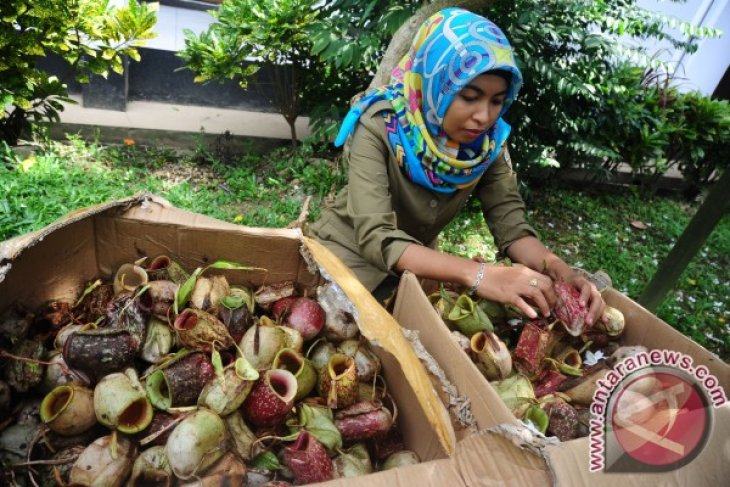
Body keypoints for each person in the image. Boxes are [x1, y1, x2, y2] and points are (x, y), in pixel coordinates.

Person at [308, 8, 606, 324]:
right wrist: (480, 275)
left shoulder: (487, 143)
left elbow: (510, 223)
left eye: (496, 101)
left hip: (417, 269)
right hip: (342, 264)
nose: (484, 116)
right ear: (436, 83)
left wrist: (558, 269)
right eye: (469, 96)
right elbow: (376, 237)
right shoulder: (381, 125)